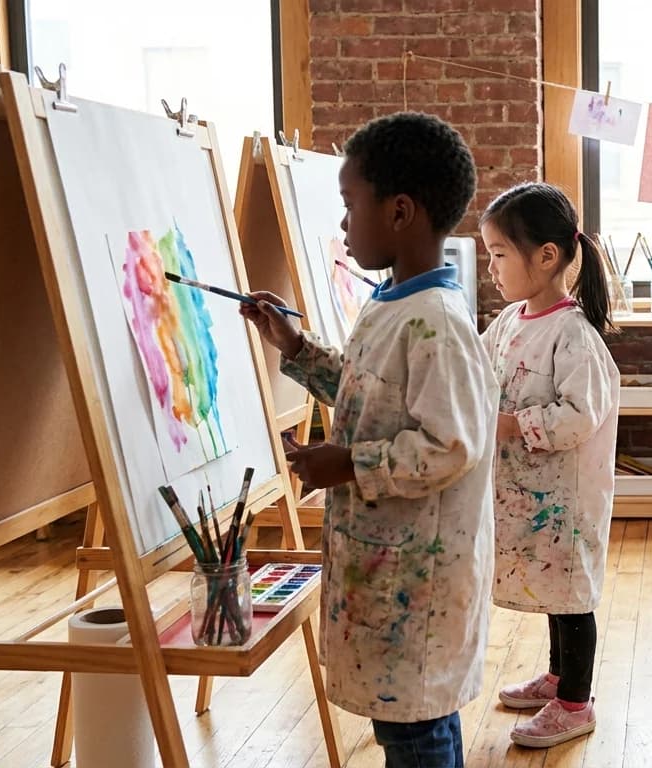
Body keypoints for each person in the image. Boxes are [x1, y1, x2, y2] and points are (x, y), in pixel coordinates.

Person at [241, 112, 495, 768]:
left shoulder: (438, 323)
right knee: (408, 722)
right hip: (388, 567)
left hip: (420, 578)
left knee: (418, 727)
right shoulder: (391, 304)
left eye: (351, 205)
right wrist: (292, 345)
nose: (346, 224)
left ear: (401, 211)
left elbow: (450, 447)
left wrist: (346, 463)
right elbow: (367, 394)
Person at [479, 182, 620, 748]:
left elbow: (580, 416)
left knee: (571, 594)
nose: (490, 267)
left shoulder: (574, 334)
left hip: (565, 500)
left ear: (546, 256)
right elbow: (479, 362)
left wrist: (511, 424)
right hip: (527, 493)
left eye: (498, 254)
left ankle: (575, 703)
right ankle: (559, 677)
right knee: (549, 590)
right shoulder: (512, 319)